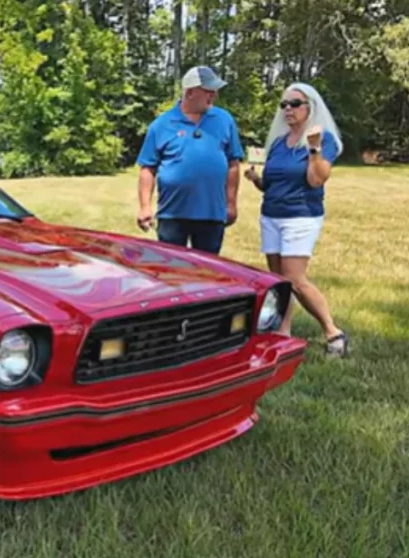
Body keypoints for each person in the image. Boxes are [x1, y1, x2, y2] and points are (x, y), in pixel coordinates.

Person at [244, 82, 349, 357]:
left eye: (294, 104)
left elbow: (316, 180)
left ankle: (333, 332)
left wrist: (313, 149)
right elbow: (270, 184)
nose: (288, 110)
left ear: (310, 107)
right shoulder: (279, 143)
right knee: (278, 281)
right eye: (284, 105)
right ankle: (283, 331)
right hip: (271, 215)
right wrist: (256, 179)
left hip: (300, 216)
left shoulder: (322, 139)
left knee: (294, 278)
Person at [136, 65, 244, 254]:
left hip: (211, 213)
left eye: (214, 91)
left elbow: (233, 164)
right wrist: (145, 207)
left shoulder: (224, 120)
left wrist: (231, 203)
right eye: (208, 91)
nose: (214, 95)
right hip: (172, 213)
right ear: (190, 92)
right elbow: (147, 168)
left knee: (207, 268)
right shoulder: (161, 125)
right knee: (171, 266)